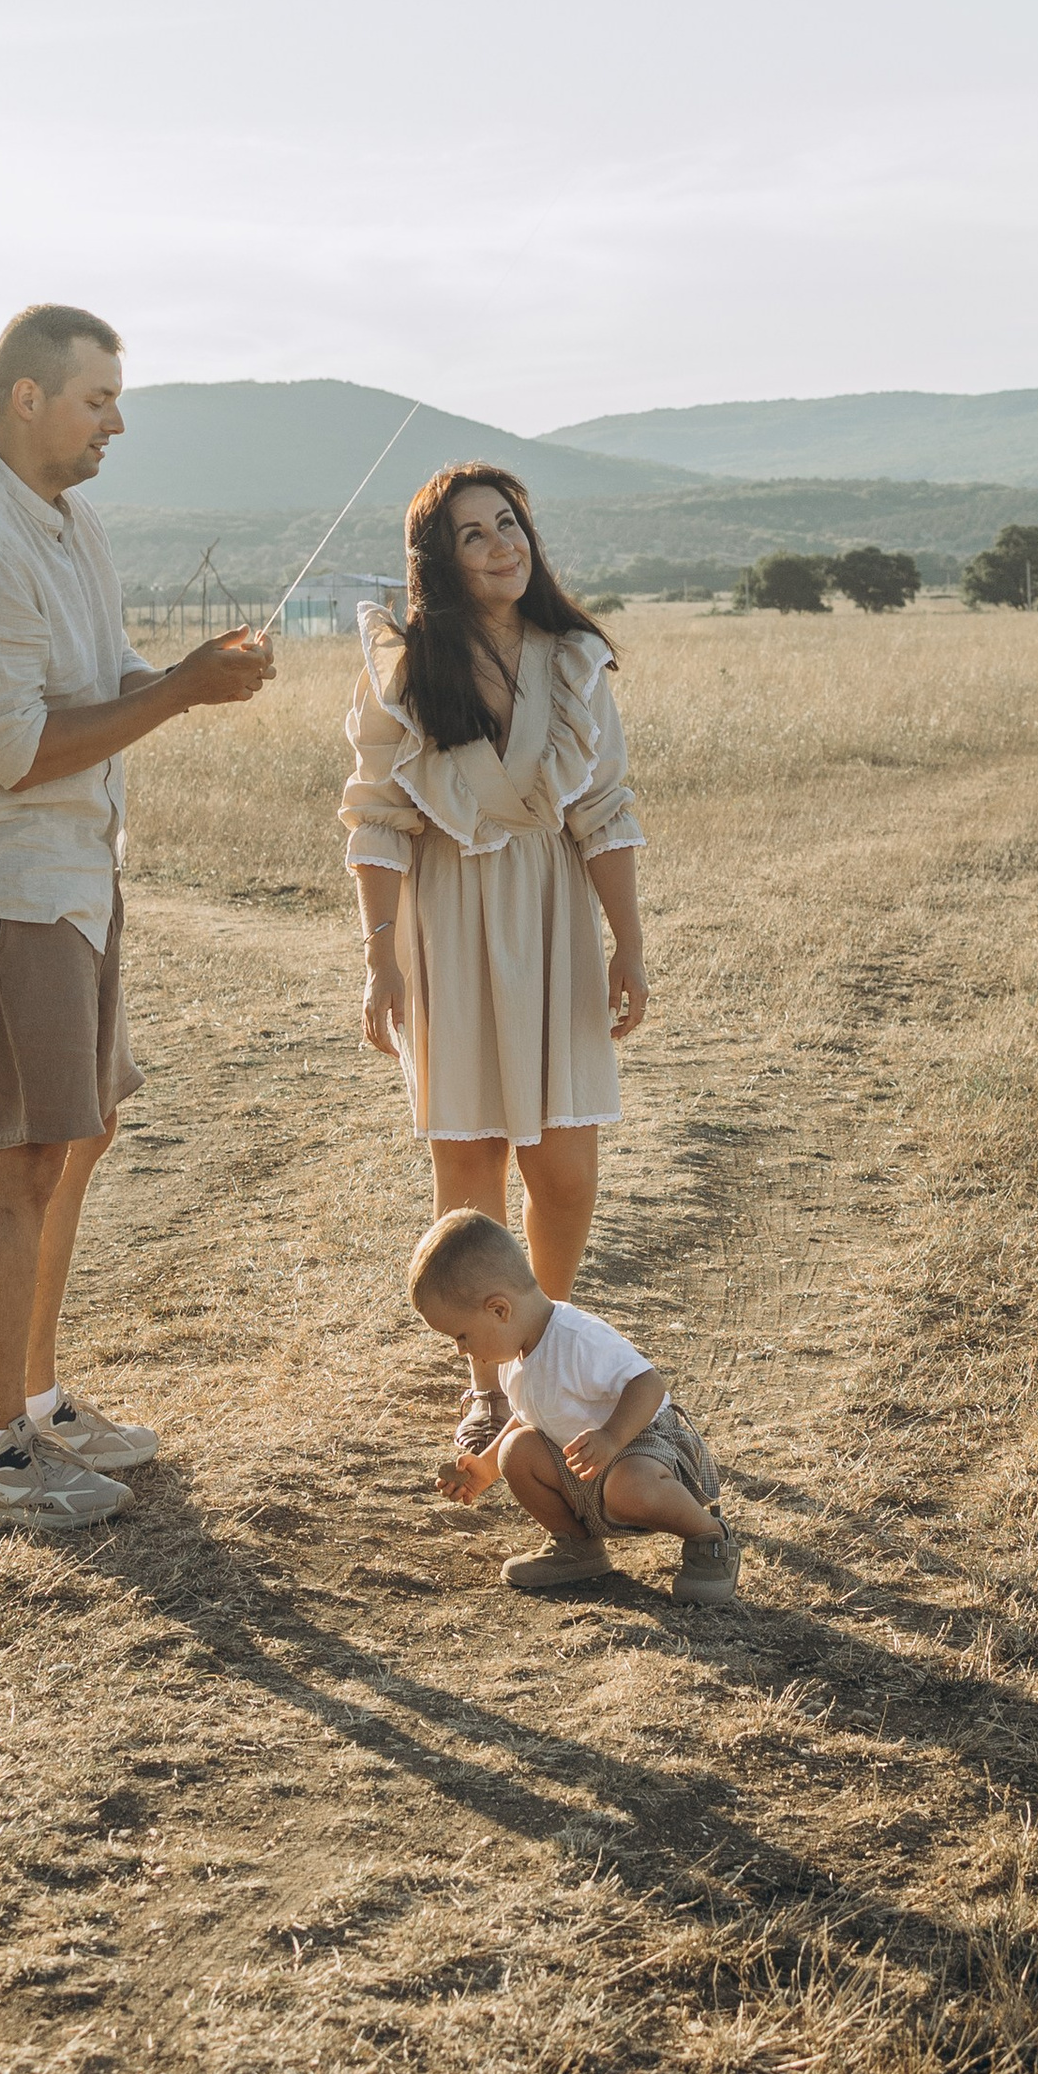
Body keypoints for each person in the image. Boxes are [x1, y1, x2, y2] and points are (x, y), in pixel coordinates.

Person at [0, 301, 274, 1537]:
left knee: (84, 1129)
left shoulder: (65, 520)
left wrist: (185, 676)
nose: (119, 418)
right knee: (25, 1153)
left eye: (117, 395)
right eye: (100, 396)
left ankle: (42, 1406)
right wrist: (184, 697)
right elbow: (13, 755)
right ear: (26, 400)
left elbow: (96, 688)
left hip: (71, 877)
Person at [341, 464, 647, 1456]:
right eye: (472, 535)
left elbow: (603, 811)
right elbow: (377, 816)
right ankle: (484, 1387)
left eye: (508, 524)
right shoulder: (403, 667)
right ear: (440, 557)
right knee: (468, 1168)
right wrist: (379, 955)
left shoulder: (571, 661)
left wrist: (627, 943)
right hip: (446, 921)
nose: (500, 545)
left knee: (563, 1173)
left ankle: (544, 1372)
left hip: (552, 915)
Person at [408, 1207, 740, 1601]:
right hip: (586, 1465)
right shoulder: (514, 1359)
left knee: (627, 1487)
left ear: (499, 1310)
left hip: (644, 1445)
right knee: (515, 1452)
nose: (460, 1350)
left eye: (461, 1336)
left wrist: (611, 1438)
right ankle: (576, 1546)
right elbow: (526, 1417)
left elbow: (648, 1385)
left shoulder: (576, 1337)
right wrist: (485, 1468)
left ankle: (709, 1537)